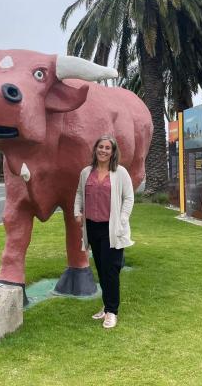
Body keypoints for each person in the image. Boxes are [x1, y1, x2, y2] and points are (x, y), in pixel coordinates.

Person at [74, 134, 134, 329]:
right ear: (95, 149)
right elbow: (79, 194)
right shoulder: (86, 172)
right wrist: (77, 212)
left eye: (108, 148)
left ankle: (112, 312)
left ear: (113, 152)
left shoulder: (120, 173)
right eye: (101, 147)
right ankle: (107, 305)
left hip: (112, 229)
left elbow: (129, 198)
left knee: (111, 271)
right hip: (92, 227)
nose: (103, 151)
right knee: (101, 269)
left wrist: (122, 220)